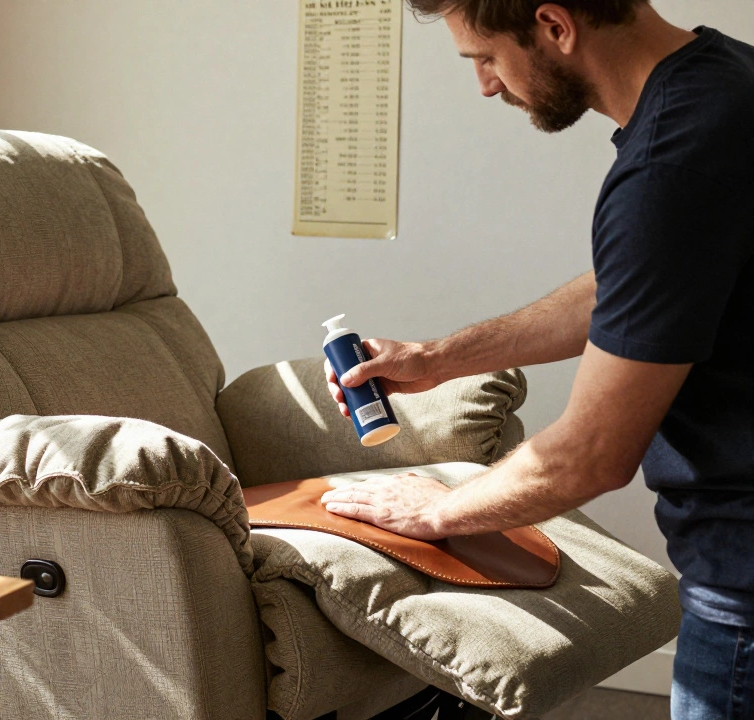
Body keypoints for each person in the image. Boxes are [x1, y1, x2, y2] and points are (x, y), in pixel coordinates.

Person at [317, 2, 754, 717]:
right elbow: (636, 287)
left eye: (484, 58)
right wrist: (437, 359)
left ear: (554, 25)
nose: (487, 85)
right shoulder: (727, 81)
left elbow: (589, 455)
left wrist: (442, 512)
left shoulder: (669, 163)